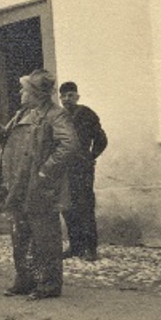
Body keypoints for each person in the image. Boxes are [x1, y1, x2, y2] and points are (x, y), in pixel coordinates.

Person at [0, 69, 78, 300]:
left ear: (36, 93)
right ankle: (25, 280)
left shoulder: (56, 115)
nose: (20, 93)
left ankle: (48, 285)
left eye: (24, 89)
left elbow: (69, 145)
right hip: (18, 183)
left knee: (44, 237)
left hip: (40, 186)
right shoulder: (22, 114)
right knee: (21, 236)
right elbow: (5, 137)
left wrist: (46, 171)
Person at [59, 81, 108, 261]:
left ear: (77, 96)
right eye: (63, 96)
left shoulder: (87, 114)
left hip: (82, 168)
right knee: (68, 208)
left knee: (85, 206)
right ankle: (75, 246)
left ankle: (90, 249)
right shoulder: (58, 117)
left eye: (70, 95)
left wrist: (90, 157)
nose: (66, 99)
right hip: (64, 168)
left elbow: (101, 139)